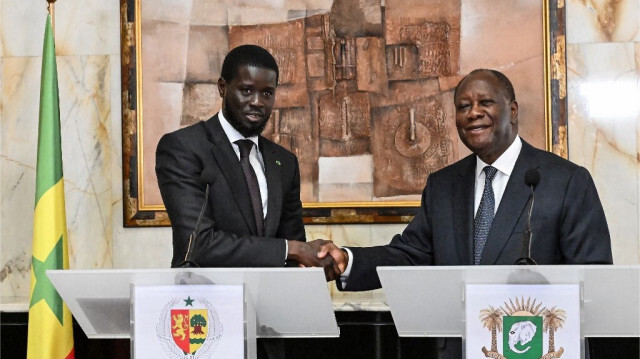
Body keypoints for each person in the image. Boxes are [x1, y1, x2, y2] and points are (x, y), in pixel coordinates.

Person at [318, 68, 613, 359]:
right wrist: (348, 260)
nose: (473, 113)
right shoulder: (443, 185)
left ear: (512, 110)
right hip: (461, 349)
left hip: (537, 347)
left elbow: (593, 275)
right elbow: (411, 254)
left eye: (485, 103)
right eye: (463, 106)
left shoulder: (566, 180)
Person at [156, 44, 340, 279]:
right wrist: (291, 250)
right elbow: (198, 244)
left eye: (267, 93)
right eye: (246, 90)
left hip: (271, 305)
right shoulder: (184, 148)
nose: (257, 102)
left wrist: (317, 261)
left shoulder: (284, 162)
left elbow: (296, 250)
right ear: (223, 88)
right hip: (207, 301)